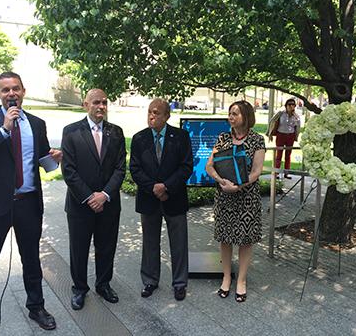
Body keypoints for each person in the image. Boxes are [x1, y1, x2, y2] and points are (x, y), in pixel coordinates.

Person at [0, 72, 62, 336]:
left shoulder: (37, 123)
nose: (11, 94)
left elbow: (41, 160)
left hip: (28, 203)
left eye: (15, 88)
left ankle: (36, 307)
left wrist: (55, 158)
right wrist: (4, 129)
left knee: (31, 259)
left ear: (23, 91)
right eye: (5, 89)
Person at [61, 88, 126, 311]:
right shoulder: (70, 132)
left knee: (106, 246)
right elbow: (68, 171)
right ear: (85, 105)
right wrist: (90, 197)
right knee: (79, 249)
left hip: (108, 204)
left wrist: (104, 195)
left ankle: (103, 284)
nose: (101, 107)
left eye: (105, 102)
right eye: (96, 102)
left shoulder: (116, 132)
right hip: (80, 205)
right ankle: (79, 289)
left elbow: (120, 169)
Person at [129, 99, 193, 301]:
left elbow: (186, 166)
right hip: (149, 199)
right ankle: (150, 280)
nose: (151, 116)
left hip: (174, 198)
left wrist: (166, 186)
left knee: (179, 242)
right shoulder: (139, 138)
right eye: (149, 112)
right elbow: (135, 169)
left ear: (167, 116)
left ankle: (180, 283)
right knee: (150, 242)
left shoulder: (181, 137)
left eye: (156, 113)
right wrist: (154, 188)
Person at [206, 101, 265, 303]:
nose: (231, 117)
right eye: (230, 113)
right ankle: (226, 277)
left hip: (247, 197)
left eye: (235, 113)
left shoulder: (257, 139)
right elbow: (210, 166)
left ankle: (241, 280)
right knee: (225, 237)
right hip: (224, 195)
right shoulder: (222, 138)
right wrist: (222, 181)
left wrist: (238, 186)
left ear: (246, 116)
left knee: (245, 240)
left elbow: (257, 171)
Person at [266, 98, 301, 178]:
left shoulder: (296, 116)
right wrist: (270, 132)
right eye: (289, 105)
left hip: (290, 136)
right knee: (279, 154)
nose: (291, 106)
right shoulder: (281, 113)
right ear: (286, 106)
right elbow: (272, 121)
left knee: (288, 155)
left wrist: (297, 119)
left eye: (293, 105)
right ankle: (276, 173)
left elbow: (297, 126)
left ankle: (286, 172)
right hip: (280, 135)